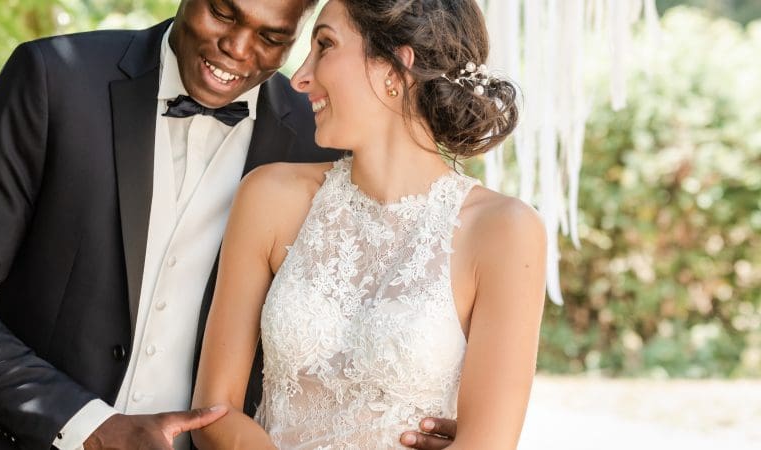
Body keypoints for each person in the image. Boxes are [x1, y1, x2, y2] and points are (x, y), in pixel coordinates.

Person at [0, 0, 459, 448]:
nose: (238, 49)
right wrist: (88, 425)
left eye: (271, 37)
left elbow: (373, 304)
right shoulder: (54, 79)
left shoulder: (320, 138)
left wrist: (401, 425)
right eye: (223, 12)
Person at [190, 0, 546, 449]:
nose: (300, 77)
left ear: (396, 66)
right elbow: (212, 414)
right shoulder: (268, 197)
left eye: (325, 46)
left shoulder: (504, 231)